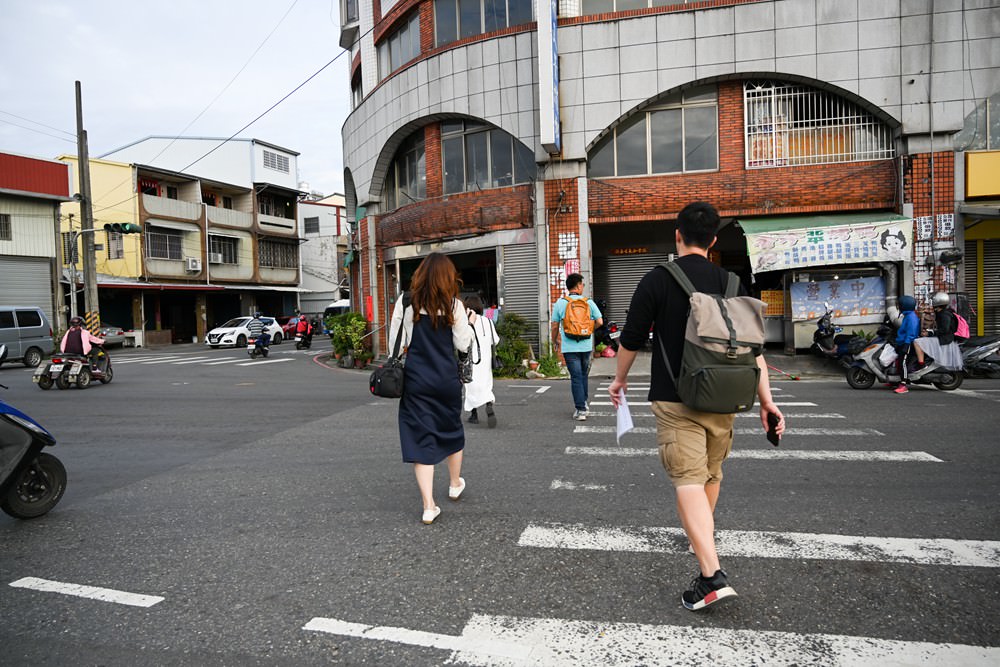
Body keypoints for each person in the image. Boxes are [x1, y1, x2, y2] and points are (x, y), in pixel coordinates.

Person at [607, 202, 785, 612]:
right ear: (714, 240)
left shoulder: (657, 279)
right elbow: (754, 350)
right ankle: (700, 536)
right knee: (710, 473)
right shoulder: (733, 282)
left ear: (677, 235)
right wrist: (767, 401)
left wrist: (619, 381)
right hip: (725, 397)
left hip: (675, 398)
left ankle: (711, 576)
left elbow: (631, 338)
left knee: (687, 479)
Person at [388, 252, 474, 525]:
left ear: (420, 275)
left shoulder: (406, 302)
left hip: (416, 380)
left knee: (420, 437)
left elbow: (395, 342)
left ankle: (428, 506)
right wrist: (469, 325)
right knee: (451, 429)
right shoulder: (454, 305)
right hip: (446, 380)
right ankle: (454, 484)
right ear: (448, 277)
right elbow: (462, 344)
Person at [551, 273, 603, 420]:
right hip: (585, 346)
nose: (583, 287)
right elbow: (600, 321)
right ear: (579, 285)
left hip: (569, 347)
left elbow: (554, 326)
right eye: (582, 284)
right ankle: (584, 404)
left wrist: (555, 340)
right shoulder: (588, 302)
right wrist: (588, 330)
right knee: (583, 375)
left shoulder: (561, 303)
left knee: (576, 377)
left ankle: (580, 409)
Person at [462, 295, 500, 428]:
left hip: (471, 360)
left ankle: (474, 415)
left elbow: (462, 340)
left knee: (470, 385)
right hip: (486, 360)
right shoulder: (488, 321)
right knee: (486, 384)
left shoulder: (466, 322)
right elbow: (495, 340)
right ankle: (489, 404)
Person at [913, 292, 963, 371]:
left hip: (944, 339)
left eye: (933, 300)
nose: (932, 302)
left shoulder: (944, 315)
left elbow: (945, 330)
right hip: (944, 338)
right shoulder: (943, 312)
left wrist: (930, 333)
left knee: (916, 342)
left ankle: (921, 365)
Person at [891, 295, 920, 394]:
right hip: (903, 342)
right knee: (899, 362)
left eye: (900, 305)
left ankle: (903, 385)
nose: (898, 307)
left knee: (903, 363)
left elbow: (911, 333)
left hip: (908, 343)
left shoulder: (911, 318)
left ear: (905, 306)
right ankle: (894, 381)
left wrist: (906, 345)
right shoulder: (907, 316)